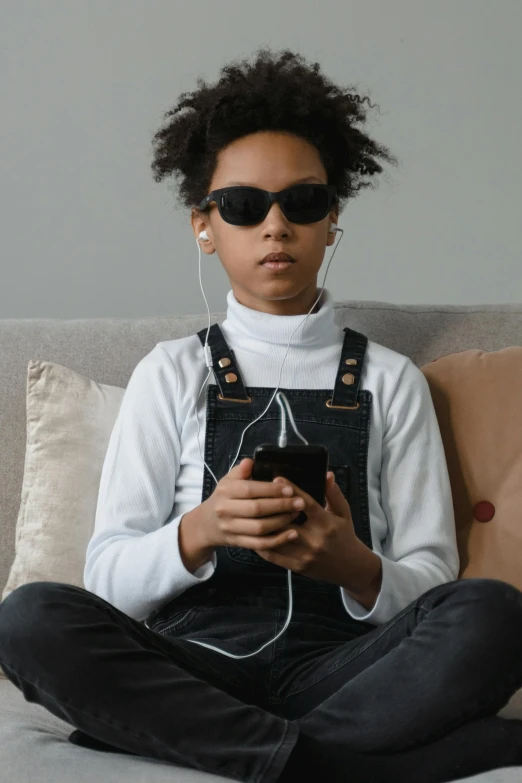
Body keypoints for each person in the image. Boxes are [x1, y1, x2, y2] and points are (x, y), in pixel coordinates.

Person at [1, 46, 522, 783]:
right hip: (197, 671)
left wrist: (355, 565)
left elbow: (435, 581)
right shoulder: (171, 372)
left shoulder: (390, 380)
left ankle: (220, 746)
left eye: (302, 202)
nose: (275, 226)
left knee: (496, 614)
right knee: (29, 617)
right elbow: (107, 578)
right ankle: (338, 767)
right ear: (204, 225)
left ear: (332, 219)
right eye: (245, 206)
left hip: (348, 672)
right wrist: (200, 530)